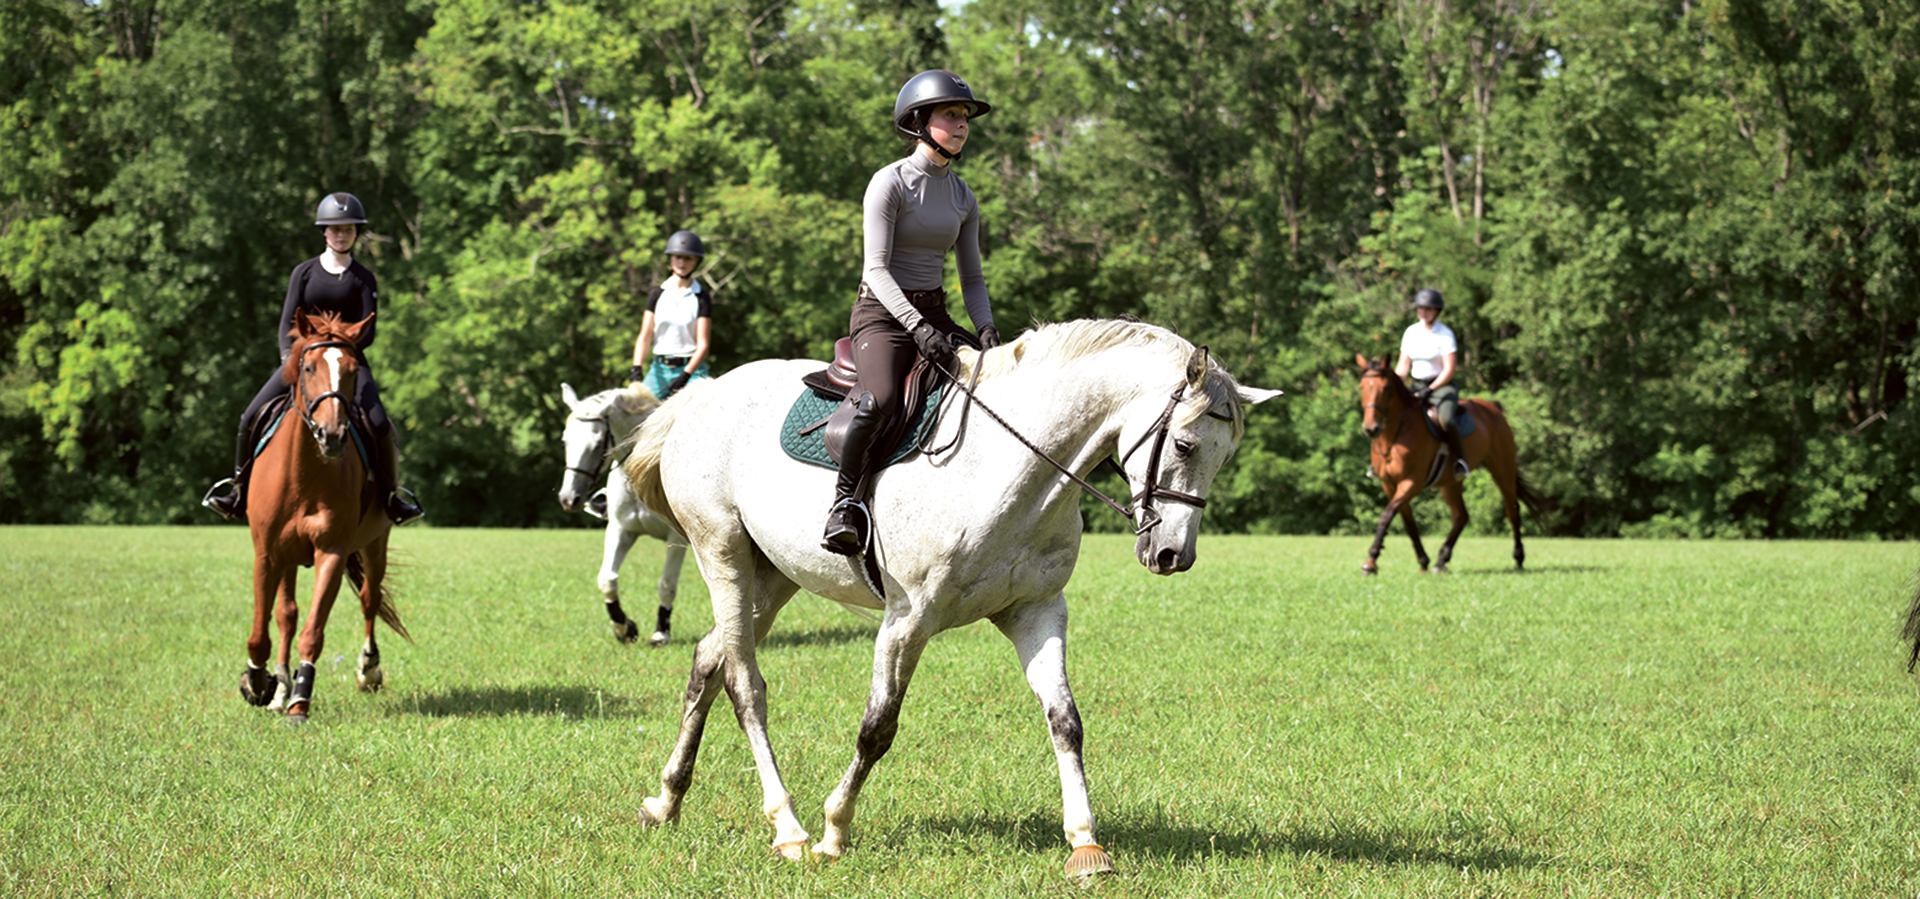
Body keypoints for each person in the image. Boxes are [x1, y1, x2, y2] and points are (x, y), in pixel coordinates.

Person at [820, 69, 1001, 556]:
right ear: (919, 122)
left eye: (965, 117)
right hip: (882, 313)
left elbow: (973, 279)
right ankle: (845, 505)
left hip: (935, 313)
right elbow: (876, 269)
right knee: (879, 398)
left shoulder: (964, 196)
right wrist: (917, 327)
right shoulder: (890, 182)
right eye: (951, 115)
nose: (962, 125)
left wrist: (985, 328)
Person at [202, 192, 424, 524]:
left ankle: (392, 497)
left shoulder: (364, 278)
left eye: (348, 229)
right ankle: (237, 491)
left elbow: (370, 330)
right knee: (249, 416)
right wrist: (287, 357)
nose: (341, 234)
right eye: (335, 229)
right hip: (303, 362)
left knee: (379, 423)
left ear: (356, 233)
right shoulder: (303, 273)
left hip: (348, 362)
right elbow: (287, 321)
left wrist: (342, 350)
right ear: (324, 232)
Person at [628, 230, 714, 401]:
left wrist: (686, 375)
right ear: (671, 259)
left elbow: (703, 345)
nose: (682, 262)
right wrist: (636, 368)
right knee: (635, 410)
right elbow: (645, 336)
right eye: (677, 257)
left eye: (688, 258)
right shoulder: (657, 294)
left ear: (696, 261)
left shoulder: (701, 297)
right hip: (659, 370)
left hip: (692, 371)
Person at [1395, 287, 1469, 478]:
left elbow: (1449, 369)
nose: (1423, 312)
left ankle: (1460, 460)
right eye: (1420, 308)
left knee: (1445, 420)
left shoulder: (1445, 334)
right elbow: (1403, 367)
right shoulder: (1411, 332)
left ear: (1436, 311)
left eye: (1427, 309)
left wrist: (1431, 389)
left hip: (1441, 386)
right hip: (1417, 384)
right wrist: (1395, 383)